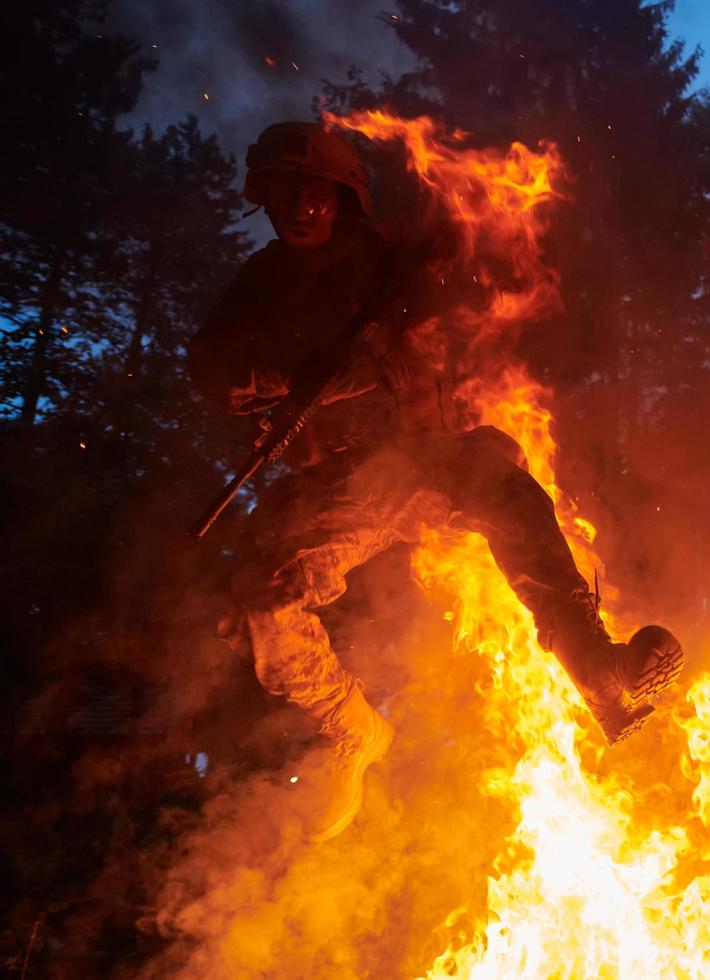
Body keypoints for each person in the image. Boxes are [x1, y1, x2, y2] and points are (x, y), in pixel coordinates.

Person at [190, 121, 683, 842]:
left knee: (501, 488)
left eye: (315, 191)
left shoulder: (392, 262)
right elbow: (209, 368)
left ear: (342, 196)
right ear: (262, 199)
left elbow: (454, 287)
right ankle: (349, 728)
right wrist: (293, 374)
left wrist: (403, 322)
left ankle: (598, 672)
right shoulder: (261, 284)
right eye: (283, 192)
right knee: (260, 606)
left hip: (420, 457)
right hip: (333, 487)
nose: (300, 206)